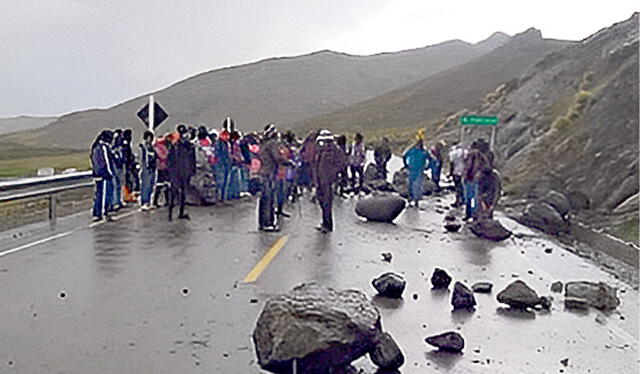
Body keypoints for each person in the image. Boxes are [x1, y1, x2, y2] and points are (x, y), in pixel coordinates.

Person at [314, 129, 346, 233]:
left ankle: (328, 224)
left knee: (327, 202)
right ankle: (324, 222)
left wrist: (333, 174)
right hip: (320, 178)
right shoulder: (320, 150)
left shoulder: (335, 150)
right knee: (321, 201)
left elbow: (341, 163)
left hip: (328, 179)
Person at [257, 124, 289, 231]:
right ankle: (267, 223)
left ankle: (263, 223)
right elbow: (277, 157)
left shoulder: (263, 144)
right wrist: (288, 162)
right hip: (270, 173)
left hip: (264, 172)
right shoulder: (272, 144)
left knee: (264, 199)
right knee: (268, 199)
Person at [167, 124, 196, 221]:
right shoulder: (175, 146)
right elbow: (170, 160)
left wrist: (192, 170)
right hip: (176, 172)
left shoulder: (189, 146)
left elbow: (192, 159)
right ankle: (170, 213)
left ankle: (180, 212)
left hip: (185, 172)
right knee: (174, 192)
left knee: (183, 193)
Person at [462, 139, 493, 220]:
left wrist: (465, 176)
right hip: (479, 179)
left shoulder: (473, 154)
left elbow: (467, 166)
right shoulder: (486, 155)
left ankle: (469, 214)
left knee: (470, 197)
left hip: (472, 178)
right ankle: (475, 215)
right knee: (476, 198)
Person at [90, 130, 115, 222]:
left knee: (98, 193)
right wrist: (109, 173)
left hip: (97, 173)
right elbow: (106, 161)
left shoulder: (95, 147)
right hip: (104, 174)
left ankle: (97, 213)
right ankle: (103, 213)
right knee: (104, 194)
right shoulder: (103, 147)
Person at [403, 130, 430, 208]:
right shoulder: (421, 151)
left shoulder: (417, 151)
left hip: (415, 169)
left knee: (414, 185)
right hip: (416, 169)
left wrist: (406, 165)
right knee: (414, 185)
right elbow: (431, 159)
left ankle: (413, 200)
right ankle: (413, 200)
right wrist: (427, 166)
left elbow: (404, 156)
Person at [139, 131, 157, 211]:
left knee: (150, 185)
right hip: (147, 168)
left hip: (152, 168)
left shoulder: (151, 147)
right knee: (146, 185)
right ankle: (144, 202)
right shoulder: (144, 147)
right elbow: (144, 158)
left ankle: (148, 201)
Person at [214, 120, 232, 203]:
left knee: (225, 183)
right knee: (220, 183)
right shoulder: (219, 143)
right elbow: (219, 154)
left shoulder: (226, 143)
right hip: (221, 165)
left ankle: (223, 198)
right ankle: (219, 199)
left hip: (226, 165)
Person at [152, 134, 171, 207]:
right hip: (161, 168)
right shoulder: (157, 147)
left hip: (166, 167)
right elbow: (163, 156)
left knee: (167, 184)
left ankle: (167, 200)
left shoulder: (164, 146)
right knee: (159, 184)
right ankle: (155, 201)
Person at [448, 143, 466, 207]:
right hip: (464, 172)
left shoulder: (453, 153)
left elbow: (452, 164)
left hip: (456, 172)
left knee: (458, 187)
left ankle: (458, 201)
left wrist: (450, 173)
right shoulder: (465, 152)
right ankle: (463, 200)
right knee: (463, 187)